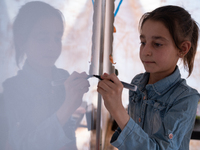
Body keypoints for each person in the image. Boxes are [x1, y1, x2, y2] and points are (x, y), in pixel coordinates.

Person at [97, 5, 200, 150]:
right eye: (143, 42)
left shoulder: (186, 99)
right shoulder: (136, 83)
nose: (145, 51)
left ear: (182, 49)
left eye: (157, 44)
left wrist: (117, 110)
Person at [3, 1, 90, 150]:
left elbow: (69, 135)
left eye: (57, 38)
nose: (52, 46)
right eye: (43, 38)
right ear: (21, 41)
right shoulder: (13, 89)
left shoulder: (63, 77)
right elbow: (24, 145)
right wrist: (68, 106)